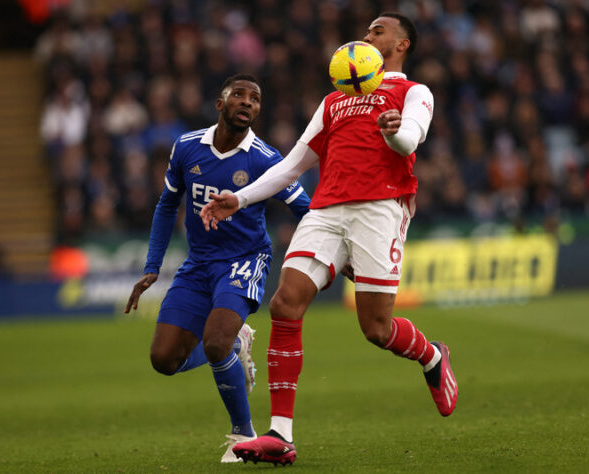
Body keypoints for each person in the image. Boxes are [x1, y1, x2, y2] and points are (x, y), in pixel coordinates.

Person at [200, 13, 458, 466]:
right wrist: (237, 200)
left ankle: (433, 356)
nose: (368, 35)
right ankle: (281, 435)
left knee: (376, 329)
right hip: (325, 210)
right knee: (285, 304)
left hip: (380, 209)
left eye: (379, 30)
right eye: (367, 30)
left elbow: (411, 140)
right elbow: (291, 167)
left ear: (402, 45)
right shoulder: (335, 100)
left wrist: (396, 130)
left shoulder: (413, 92)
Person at [124, 74, 310, 463]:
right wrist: (153, 266)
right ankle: (237, 345)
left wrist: (329, 253)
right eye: (239, 95)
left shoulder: (266, 158)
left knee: (214, 341)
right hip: (198, 263)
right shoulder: (188, 147)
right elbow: (166, 205)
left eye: (255, 98)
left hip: (245, 259)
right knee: (164, 361)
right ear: (220, 104)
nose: (248, 102)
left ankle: (242, 434)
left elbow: (304, 210)